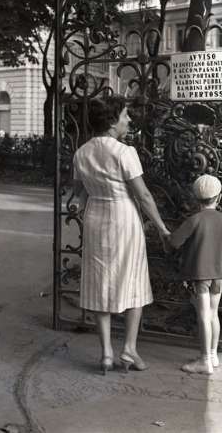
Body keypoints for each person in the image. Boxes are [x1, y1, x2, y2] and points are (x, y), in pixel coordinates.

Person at [73, 96, 170, 375]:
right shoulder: (124, 152)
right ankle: (129, 348)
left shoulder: (81, 153)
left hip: (95, 218)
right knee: (133, 279)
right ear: (112, 121)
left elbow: (78, 192)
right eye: (125, 115)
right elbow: (144, 195)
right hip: (123, 218)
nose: (128, 120)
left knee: (99, 281)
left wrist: (85, 198)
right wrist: (162, 227)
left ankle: (106, 353)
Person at [168, 174, 222, 374]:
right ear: (219, 197)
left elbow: (174, 242)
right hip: (220, 274)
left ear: (196, 198)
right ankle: (213, 355)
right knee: (213, 314)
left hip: (200, 275)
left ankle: (204, 360)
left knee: (203, 315)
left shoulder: (194, 220)